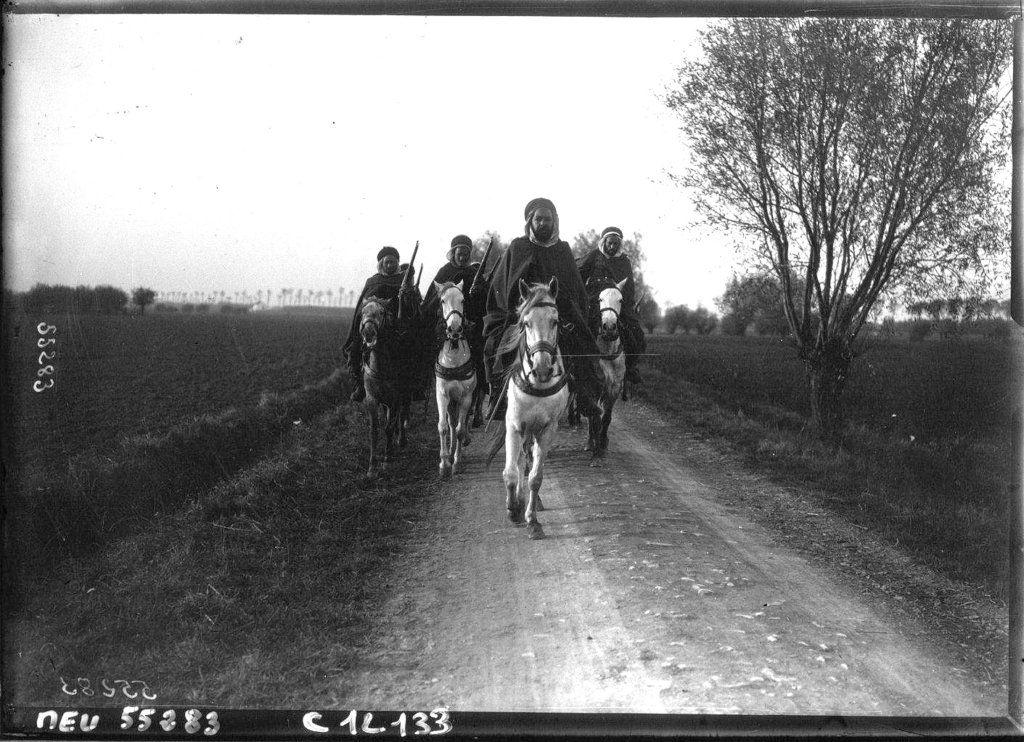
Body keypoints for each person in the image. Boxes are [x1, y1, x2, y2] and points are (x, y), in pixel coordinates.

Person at [482, 197, 603, 419]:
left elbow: (574, 288)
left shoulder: (563, 250)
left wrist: (567, 311)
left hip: (557, 312)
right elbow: (503, 285)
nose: (543, 223)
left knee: (582, 344)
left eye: (547, 219)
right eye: (538, 219)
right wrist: (516, 308)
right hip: (521, 312)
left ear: (554, 222)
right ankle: (498, 398)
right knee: (497, 345)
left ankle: (586, 397)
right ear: (530, 221)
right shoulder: (518, 247)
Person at [343, 246, 415, 402]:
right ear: (382, 264)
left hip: (394, 326)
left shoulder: (402, 281)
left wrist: (405, 295)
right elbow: (363, 306)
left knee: (410, 349)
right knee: (355, 347)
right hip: (372, 325)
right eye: (387, 262)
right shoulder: (372, 281)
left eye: (393, 263)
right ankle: (360, 385)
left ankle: (409, 388)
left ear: (397, 263)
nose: (390, 266)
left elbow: (410, 307)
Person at [576, 226, 647, 385]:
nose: (612, 247)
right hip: (595, 301)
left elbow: (629, 286)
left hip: (617, 302)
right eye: (610, 243)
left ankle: (630, 367)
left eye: (616, 243)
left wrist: (627, 305)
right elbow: (577, 273)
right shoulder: (594, 256)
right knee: (580, 330)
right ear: (604, 242)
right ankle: (578, 368)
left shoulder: (624, 261)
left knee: (635, 332)